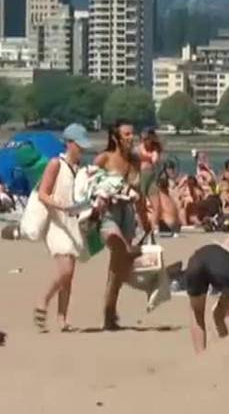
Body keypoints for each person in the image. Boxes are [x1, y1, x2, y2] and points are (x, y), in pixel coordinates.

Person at [34, 123, 91, 332]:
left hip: (74, 223)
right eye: (79, 145)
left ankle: (62, 319)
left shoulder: (81, 169)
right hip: (57, 222)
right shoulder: (55, 164)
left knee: (69, 276)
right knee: (65, 270)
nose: (82, 149)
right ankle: (43, 300)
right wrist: (61, 205)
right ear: (69, 143)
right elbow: (43, 193)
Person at [94, 120, 140, 330]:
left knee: (117, 270)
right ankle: (125, 246)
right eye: (127, 134)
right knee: (117, 243)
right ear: (116, 138)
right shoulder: (104, 158)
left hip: (127, 212)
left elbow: (138, 193)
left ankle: (109, 312)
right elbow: (87, 184)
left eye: (132, 134)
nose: (131, 138)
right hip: (109, 211)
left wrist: (147, 224)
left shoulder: (134, 161)